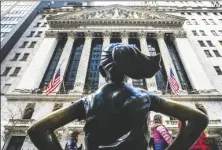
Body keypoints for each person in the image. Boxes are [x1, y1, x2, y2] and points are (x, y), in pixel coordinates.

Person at [27, 43, 208, 150]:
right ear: (129, 72)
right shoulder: (145, 96)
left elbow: (37, 130)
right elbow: (198, 119)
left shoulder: (87, 101)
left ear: (100, 71)